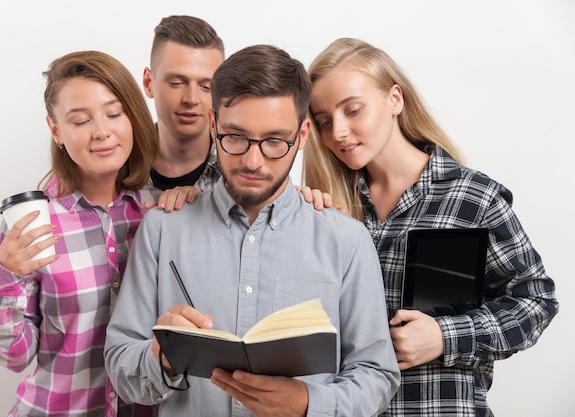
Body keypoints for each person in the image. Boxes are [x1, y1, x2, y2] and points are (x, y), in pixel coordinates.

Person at [104, 44, 400, 417]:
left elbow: (377, 375)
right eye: (235, 137)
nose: (253, 161)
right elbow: (119, 366)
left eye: (275, 141)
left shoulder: (346, 240)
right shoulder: (163, 229)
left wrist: (307, 404)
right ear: (213, 125)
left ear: (303, 134)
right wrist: (160, 356)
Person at [303, 37, 559, 416]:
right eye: (324, 121)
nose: (338, 132)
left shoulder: (473, 197)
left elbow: (536, 301)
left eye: (352, 110)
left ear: (395, 99)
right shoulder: (327, 209)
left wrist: (444, 336)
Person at [0, 50, 161, 417]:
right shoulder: (32, 223)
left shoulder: (160, 212)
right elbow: (14, 357)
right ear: (56, 130)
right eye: (80, 121)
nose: (102, 131)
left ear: (134, 118)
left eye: (114, 113)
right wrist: (3, 276)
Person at [143, 15, 224, 201]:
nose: (191, 99)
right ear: (149, 83)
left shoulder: (243, 170)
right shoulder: (116, 165)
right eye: (177, 83)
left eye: (206, 86)